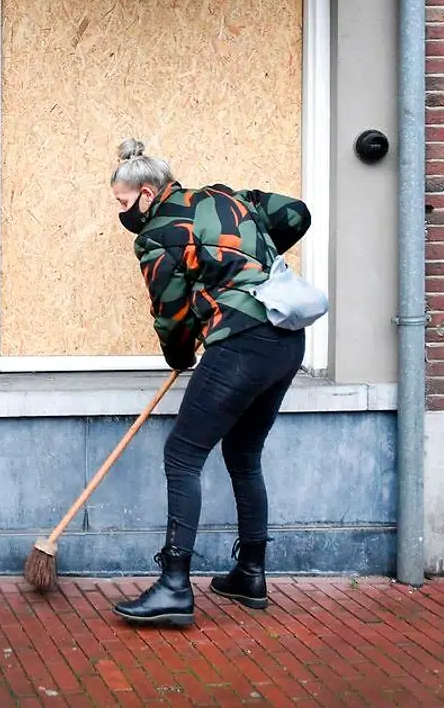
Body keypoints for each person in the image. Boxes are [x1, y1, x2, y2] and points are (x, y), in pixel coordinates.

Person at [107, 139, 311, 629]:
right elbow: (295, 214)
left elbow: (171, 312)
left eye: (121, 202)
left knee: (182, 455)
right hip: (286, 339)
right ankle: (251, 573)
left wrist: (180, 355)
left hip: (241, 341)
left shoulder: (157, 233)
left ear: (147, 194)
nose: (119, 212)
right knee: (243, 455)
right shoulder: (226, 197)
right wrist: (248, 264)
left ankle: (175, 586)